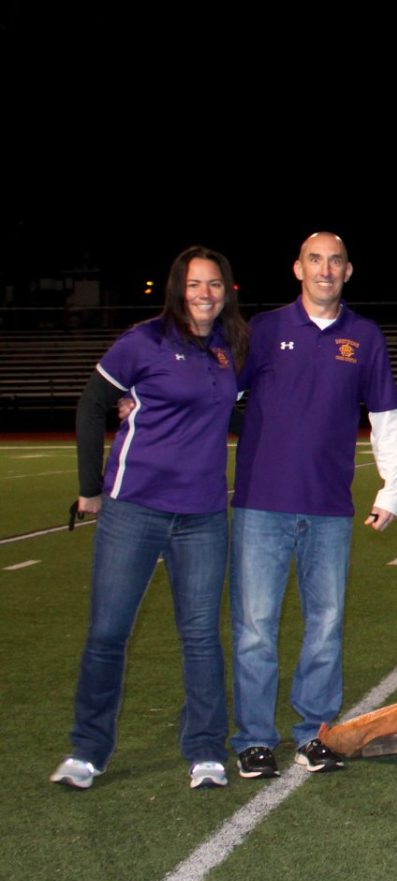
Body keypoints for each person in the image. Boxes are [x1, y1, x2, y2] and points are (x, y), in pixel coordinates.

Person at [52, 247, 248, 791]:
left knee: (200, 636)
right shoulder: (143, 341)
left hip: (204, 514)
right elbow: (93, 404)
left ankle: (206, 750)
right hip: (133, 508)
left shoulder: (234, 346)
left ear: (227, 290)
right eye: (193, 284)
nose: (204, 293)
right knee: (108, 633)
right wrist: (90, 489)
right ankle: (88, 751)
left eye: (214, 283)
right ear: (176, 290)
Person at [228, 232, 397, 778]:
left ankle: (314, 733)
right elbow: (215, 397)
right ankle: (255, 738)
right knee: (256, 627)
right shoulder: (264, 330)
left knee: (325, 624)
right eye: (315, 260)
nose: (325, 270)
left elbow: (385, 418)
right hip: (261, 505)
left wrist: (391, 489)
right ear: (297, 269)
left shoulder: (365, 337)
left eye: (335, 261)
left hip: (330, 507)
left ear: (348, 272)